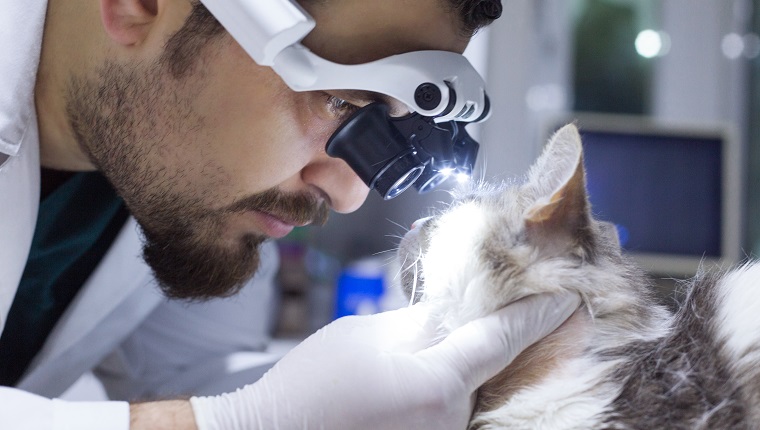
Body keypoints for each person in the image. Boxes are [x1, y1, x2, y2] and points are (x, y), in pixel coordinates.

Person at [0, 0, 580, 428]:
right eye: (342, 102)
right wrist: (247, 421)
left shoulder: (176, 174)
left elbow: (190, 374)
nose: (350, 195)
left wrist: (444, 388)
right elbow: (225, 413)